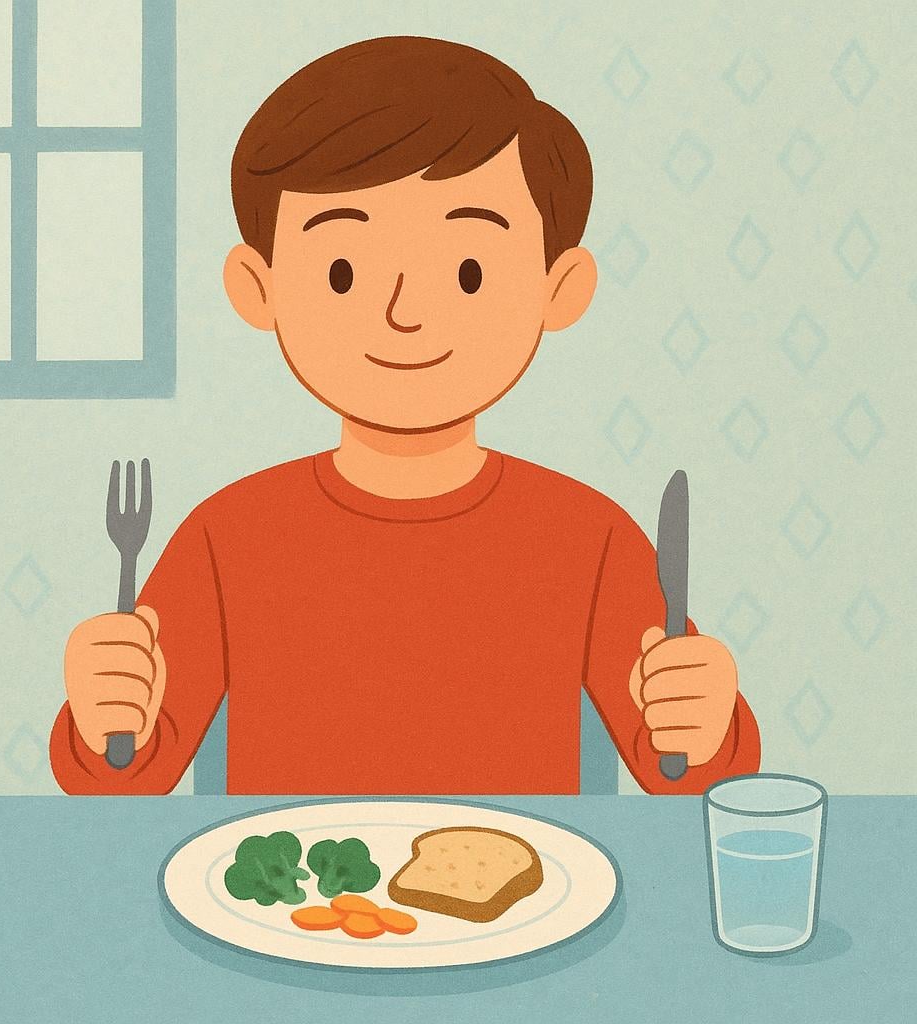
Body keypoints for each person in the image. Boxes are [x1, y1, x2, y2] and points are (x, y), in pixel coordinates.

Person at [49, 35, 760, 795]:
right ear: (259, 287)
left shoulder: (589, 540)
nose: (405, 312)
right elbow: (123, 776)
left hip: (521, 901)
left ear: (560, 288)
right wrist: (103, 717)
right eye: (344, 271)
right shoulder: (227, 539)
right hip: (287, 904)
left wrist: (703, 717)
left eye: (468, 270)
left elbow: (684, 775)